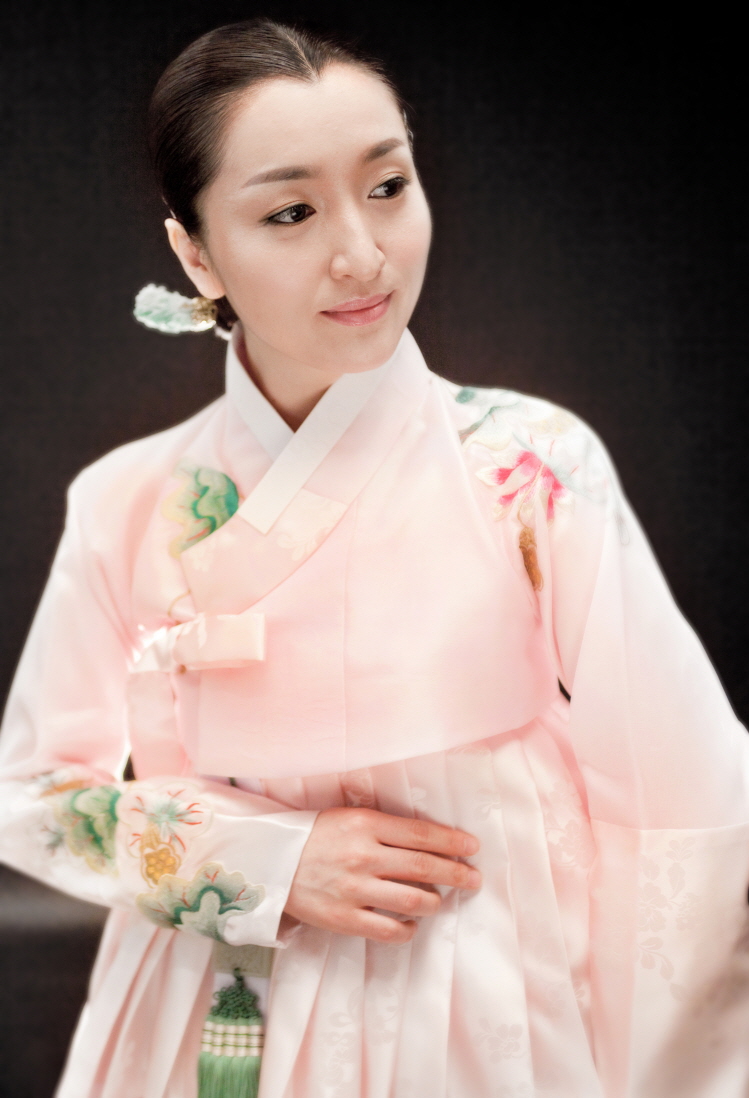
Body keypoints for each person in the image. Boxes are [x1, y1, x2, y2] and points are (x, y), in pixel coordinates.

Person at [1, 17, 749, 1098]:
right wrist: (263, 860)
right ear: (196, 253)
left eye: (388, 187)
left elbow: (686, 792)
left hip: (498, 977)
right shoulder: (126, 500)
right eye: (291, 212)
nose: (361, 253)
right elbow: (30, 792)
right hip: (224, 989)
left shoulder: (530, 465)